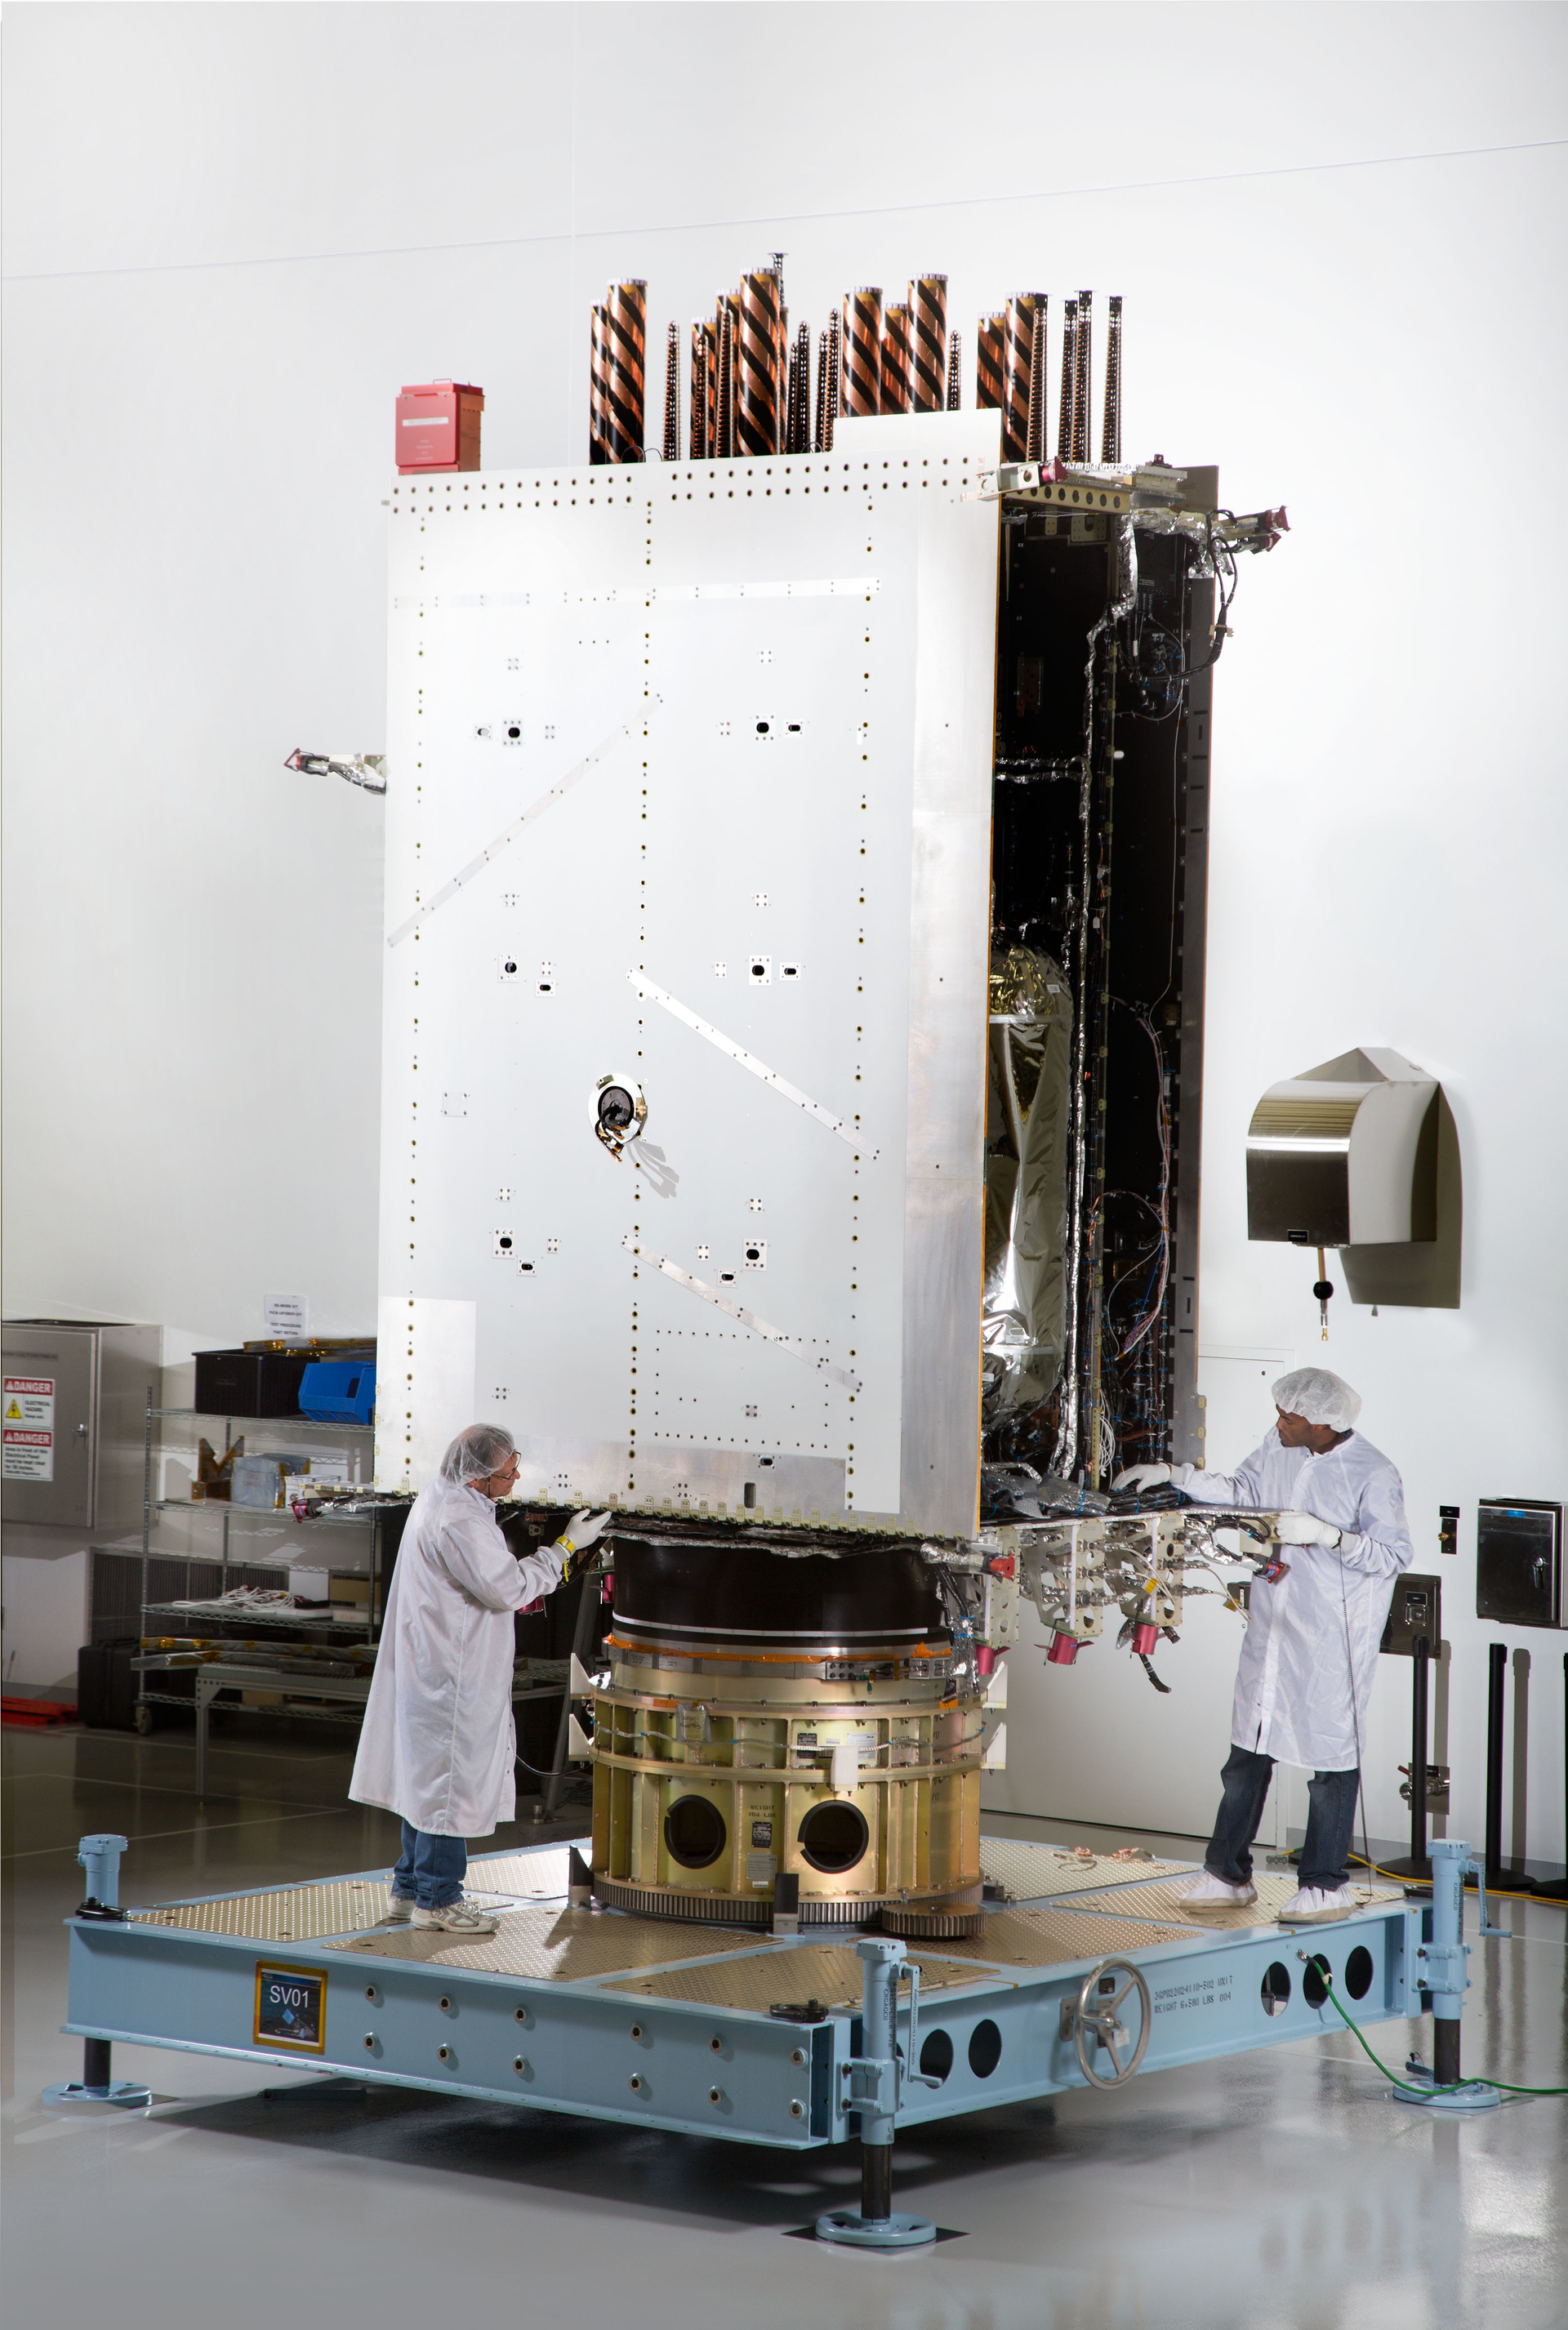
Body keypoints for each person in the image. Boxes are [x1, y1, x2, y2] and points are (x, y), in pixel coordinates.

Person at [1115, 1367, 1413, 1926]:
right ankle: (1227, 1872)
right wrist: (1173, 1475)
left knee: (1331, 1758)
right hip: (1273, 1626)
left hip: (1330, 1639)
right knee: (1247, 1750)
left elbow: (1392, 1554)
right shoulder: (1279, 1449)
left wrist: (1329, 1535)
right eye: (1280, 1411)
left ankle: (1325, 1884)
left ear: (1324, 1422)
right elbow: (1241, 1491)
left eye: (1292, 1416)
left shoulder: (1373, 1472)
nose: (1280, 1422)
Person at [350, 1423, 609, 1933]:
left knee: (426, 1785)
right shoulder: (460, 1520)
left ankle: (409, 1890)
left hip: (434, 1666)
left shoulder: (444, 1499)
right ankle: (439, 1902)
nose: (516, 1477)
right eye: (509, 1471)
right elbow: (508, 1587)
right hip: (452, 1676)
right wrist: (564, 1548)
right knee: (451, 1788)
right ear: (480, 1476)